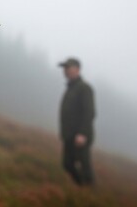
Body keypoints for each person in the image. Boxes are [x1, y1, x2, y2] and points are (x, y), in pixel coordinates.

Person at [59, 57, 95, 186]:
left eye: (68, 68)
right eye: (65, 68)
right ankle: (82, 190)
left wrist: (83, 134)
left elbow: (89, 112)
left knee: (85, 168)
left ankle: (90, 194)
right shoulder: (71, 88)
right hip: (69, 135)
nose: (65, 71)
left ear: (77, 69)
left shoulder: (84, 88)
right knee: (67, 164)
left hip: (79, 137)